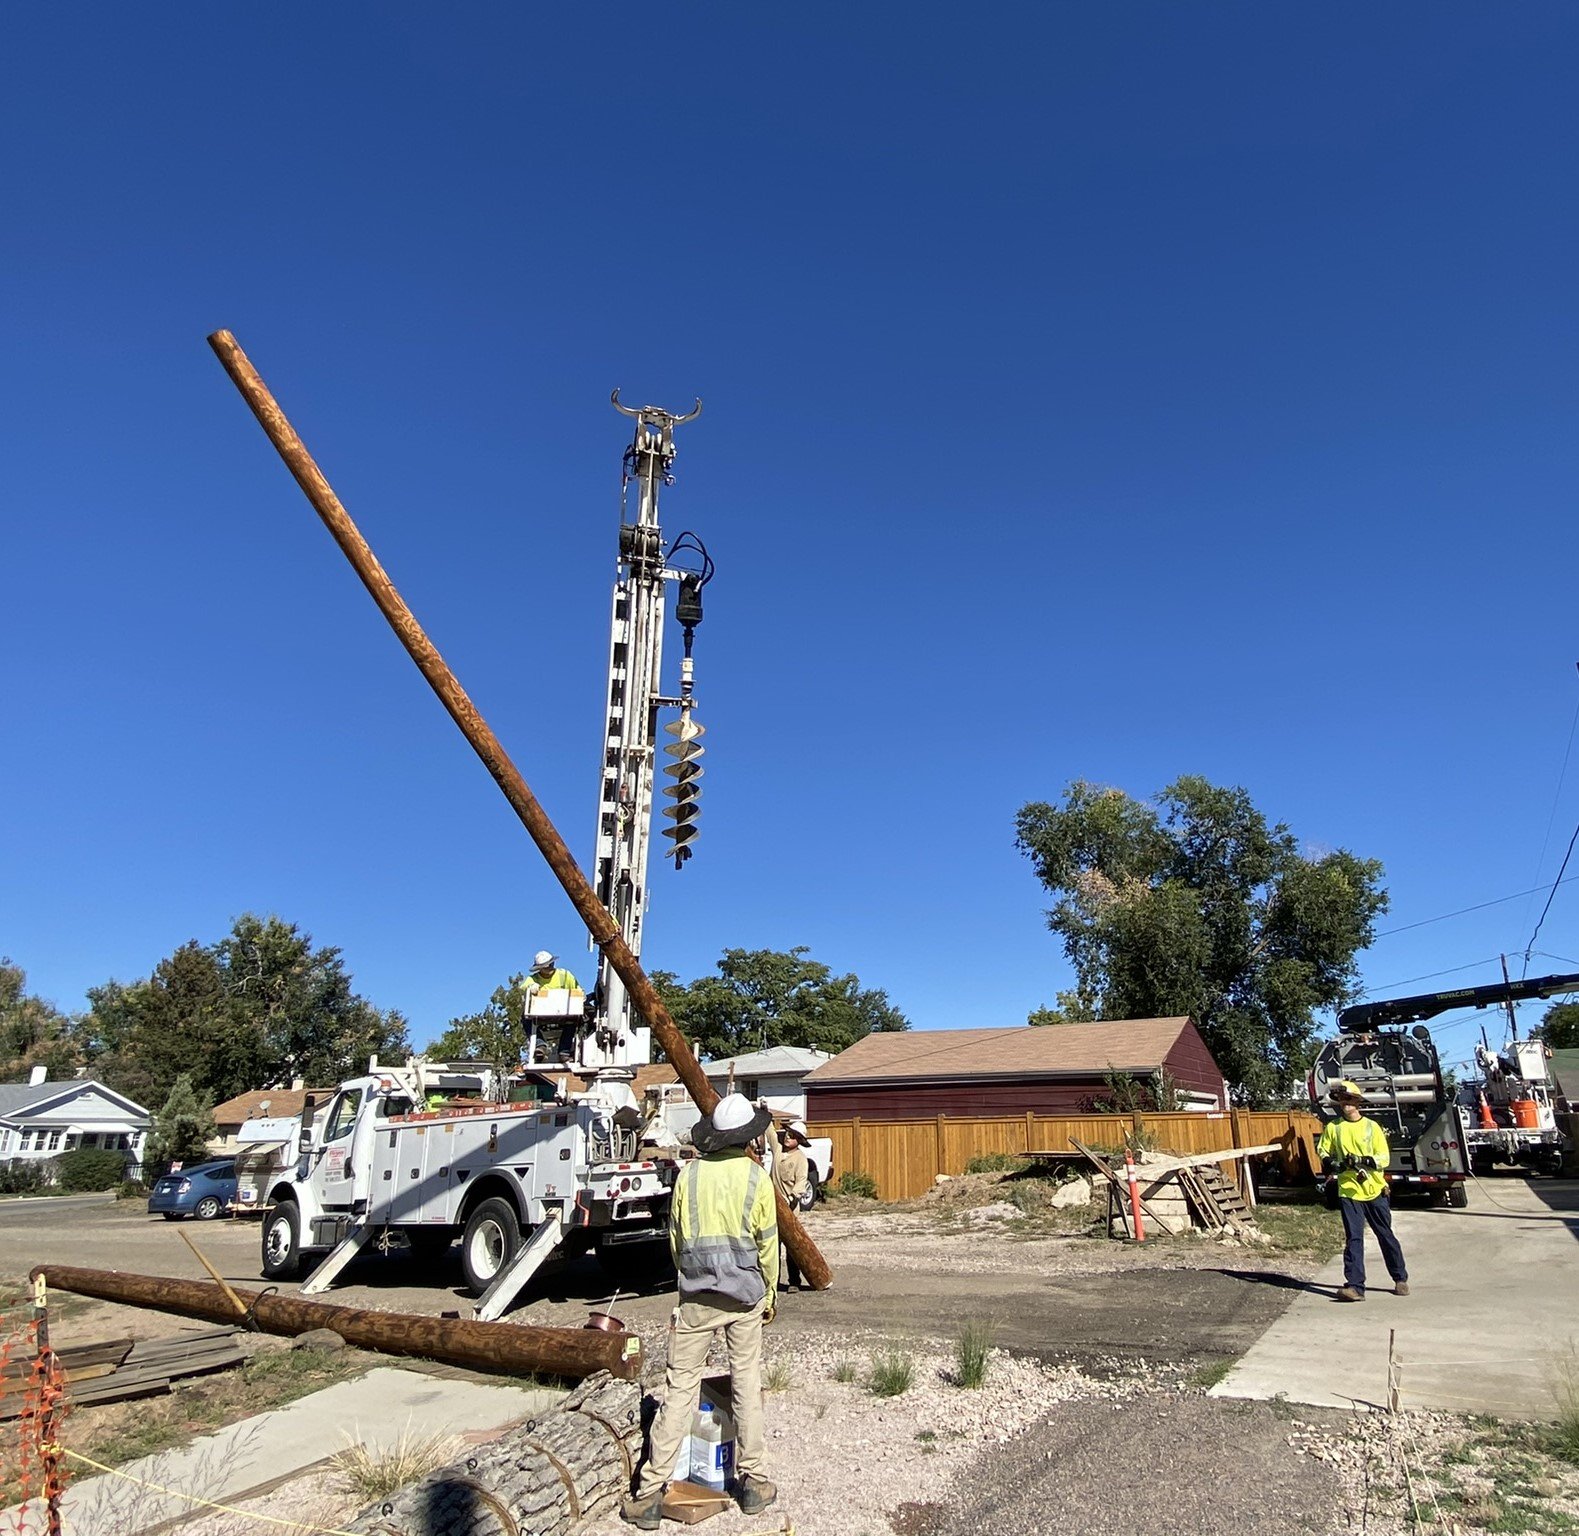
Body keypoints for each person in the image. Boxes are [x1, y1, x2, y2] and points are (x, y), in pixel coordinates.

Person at [621, 1093, 779, 1529]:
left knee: (679, 1389)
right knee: (746, 1381)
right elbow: (768, 1244)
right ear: (747, 1136)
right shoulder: (755, 1177)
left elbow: (675, 1242)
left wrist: (691, 1283)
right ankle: (753, 1482)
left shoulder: (687, 1177)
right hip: (744, 1297)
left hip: (695, 1299)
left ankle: (650, 1492)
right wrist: (768, 1295)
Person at [1318, 1079, 1409, 1302]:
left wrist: (1364, 1160)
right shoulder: (1333, 1128)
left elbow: (1383, 1157)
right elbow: (1323, 1151)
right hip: (1349, 1190)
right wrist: (1333, 1163)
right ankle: (1355, 1286)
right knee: (1354, 1238)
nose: (1345, 1104)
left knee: (1385, 1234)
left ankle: (1400, 1278)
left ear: (1357, 1102)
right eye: (1341, 1100)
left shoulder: (1371, 1127)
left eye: (1349, 1100)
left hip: (1374, 1188)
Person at [770, 1121, 811, 1290]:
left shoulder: (801, 1159)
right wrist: (765, 1114)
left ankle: (794, 1281)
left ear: (799, 1140)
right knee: (773, 1247)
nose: (788, 1137)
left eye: (793, 1136)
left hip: (790, 1209)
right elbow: (770, 1132)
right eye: (788, 1133)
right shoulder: (778, 1149)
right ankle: (774, 1282)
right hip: (772, 1208)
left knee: (791, 1247)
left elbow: (801, 1183)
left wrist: (792, 1197)